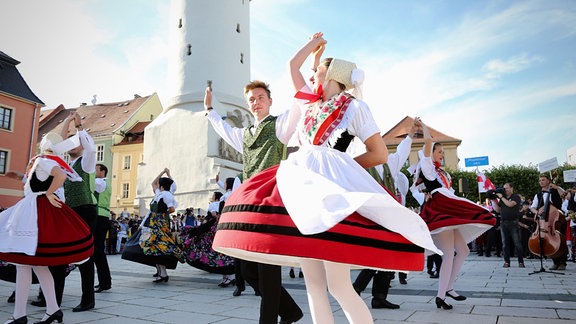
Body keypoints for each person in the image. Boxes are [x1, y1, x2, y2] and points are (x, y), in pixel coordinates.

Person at [213, 33, 440, 324]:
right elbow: (292, 66)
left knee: (338, 285)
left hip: (330, 195)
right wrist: (314, 49)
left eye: (317, 70)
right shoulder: (310, 106)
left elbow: (379, 153)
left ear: (331, 75)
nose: (312, 73)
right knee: (315, 286)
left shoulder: (354, 107)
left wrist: (342, 167)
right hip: (302, 194)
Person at [205, 79, 303, 324]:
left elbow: (301, 103)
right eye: (252, 99)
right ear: (247, 105)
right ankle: (290, 311)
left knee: (268, 271)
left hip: (272, 203)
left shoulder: (280, 125)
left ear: (270, 101)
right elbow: (222, 128)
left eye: (261, 97)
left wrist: (310, 74)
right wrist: (209, 110)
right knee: (248, 270)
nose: (256, 102)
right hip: (250, 204)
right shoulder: (244, 135)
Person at [0, 132, 94, 324]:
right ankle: (52, 310)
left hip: (35, 212)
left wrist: (50, 193)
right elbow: (37, 182)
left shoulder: (44, 160)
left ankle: (21, 315)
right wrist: (22, 176)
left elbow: (59, 176)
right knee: (36, 266)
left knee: (25, 264)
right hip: (33, 210)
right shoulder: (43, 161)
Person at [413, 120, 495, 310]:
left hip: (447, 206)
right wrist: (422, 125)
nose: (442, 155)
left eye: (442, 152)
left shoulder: (441, 172)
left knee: (463, 250)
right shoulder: (426, 165)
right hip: (441, 209)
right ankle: (441, 295)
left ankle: (448, 288)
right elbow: (427, 141)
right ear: (431, 152)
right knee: (449, 253)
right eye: (439, 152)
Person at [353, 118, 421, 310]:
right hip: (371, 218)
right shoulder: (359, 164)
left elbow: (402, 151)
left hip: (389, 218)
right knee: (375, 256)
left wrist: (410, 133)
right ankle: (357, 290)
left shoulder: (389, 162)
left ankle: (377, 296)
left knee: (387, 255)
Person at [56, 111, 98, 312]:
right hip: (71, 211)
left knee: (85, 256)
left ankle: (88, 299)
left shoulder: (86, 162)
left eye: (76, 142)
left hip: (86, 210)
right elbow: (57, 144)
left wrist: (80, 126)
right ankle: (52, 296)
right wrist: (67, 121)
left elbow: (90, 147)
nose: (72, 144)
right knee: (65, 253)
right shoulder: (68, 164)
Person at [134, 168, 185, 282]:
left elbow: (171, 209)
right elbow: (153, 183)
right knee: (155, 248)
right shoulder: (160, 194)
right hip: (155, 223)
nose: (157, 184)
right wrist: (163, 173)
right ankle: (162, 273)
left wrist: (161, 215)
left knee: (158, 247)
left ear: (161, 185)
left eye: (159, 183)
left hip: (160, 224)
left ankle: (164, 273)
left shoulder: (167, 195)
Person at [530, 174, 567, 270]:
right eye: (539, 180)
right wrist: (537, 212)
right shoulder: (538, 194)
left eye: (543, 180)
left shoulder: (556, 189)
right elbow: (533, 207)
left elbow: (565, 195)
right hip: (545, 221)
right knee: (549, 240)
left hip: (557, 219)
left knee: (560, 240)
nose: (541, 182)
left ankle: (563, 262)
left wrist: (557, 187)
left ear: (548, 181)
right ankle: (555, 262)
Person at [490, 183, 524, 268]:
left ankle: (521, 261)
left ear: (511, 188)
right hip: (503, 223)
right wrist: (494, 200)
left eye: (507, 188)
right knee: (505, 244)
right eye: (504, 189)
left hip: (513, 223)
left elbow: (510, 204)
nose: (505, 190)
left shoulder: (516, 197)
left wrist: (501, 197)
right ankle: (506, 262)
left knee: (517, 243)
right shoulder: (503, 199)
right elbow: (498, 210)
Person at [94, 163, 113, 292]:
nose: (93, 172)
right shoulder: (104, 182)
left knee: (98, 251)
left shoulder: (100, 182)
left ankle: (105, 282)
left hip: (100, 216)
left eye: (95, 170)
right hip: (102, 216)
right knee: (98, 251)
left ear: (102, 172)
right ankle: (104, 281)